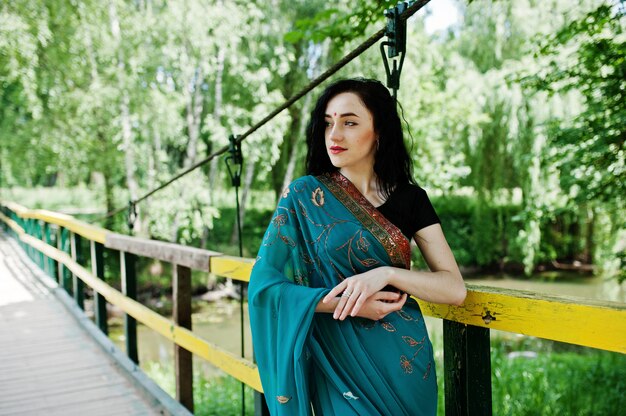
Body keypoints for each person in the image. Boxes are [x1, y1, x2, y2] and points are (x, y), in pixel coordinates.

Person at [248, 78, 466, 415]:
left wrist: (385, 274)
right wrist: (344, 304)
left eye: (349, 122)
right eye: (328, 123)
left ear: (379, 130)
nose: (334, 135)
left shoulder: (411, 199)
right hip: (339, 364)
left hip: (404, 364)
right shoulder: (305, 196)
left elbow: (454, 289)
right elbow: (265, 287)